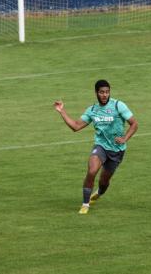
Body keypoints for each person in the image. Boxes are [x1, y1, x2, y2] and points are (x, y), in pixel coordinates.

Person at [54, 80, 138, 214]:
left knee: (104, 182)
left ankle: (99, 193)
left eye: (107, 92)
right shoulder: (92, 110)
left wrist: (125, 138)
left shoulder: (118, 106)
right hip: (101, 147)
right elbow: (76, 126)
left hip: (117, 150)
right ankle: (85, 204)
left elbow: (134, 124)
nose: (105, 95)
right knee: (92, 171)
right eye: (101, 92)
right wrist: (62, 111)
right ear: (96, 93)